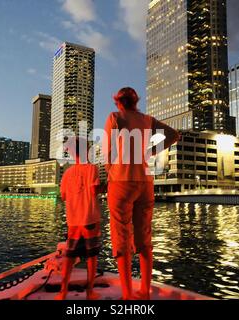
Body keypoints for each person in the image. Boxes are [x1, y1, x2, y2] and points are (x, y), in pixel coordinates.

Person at [103, 87, 181, 300]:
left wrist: (112, 170)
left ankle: (128, 295)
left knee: (121, 239)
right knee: (144, 239)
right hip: (145, 182)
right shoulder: (148, 119)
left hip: (121, 182)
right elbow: (175, 135)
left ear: (118, 101)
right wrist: (150, 151)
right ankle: (144, 292)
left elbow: (107, 151)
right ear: (136, 101)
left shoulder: (114, 117)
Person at [55, 138, 102, 300]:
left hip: (73, 221)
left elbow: (63, 196)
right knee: (91, 257)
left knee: (69, 256)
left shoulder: (67, 173)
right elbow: (95, 189)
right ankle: (90, 292)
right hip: (89, 218)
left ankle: (63, 292)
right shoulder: (92, 169)